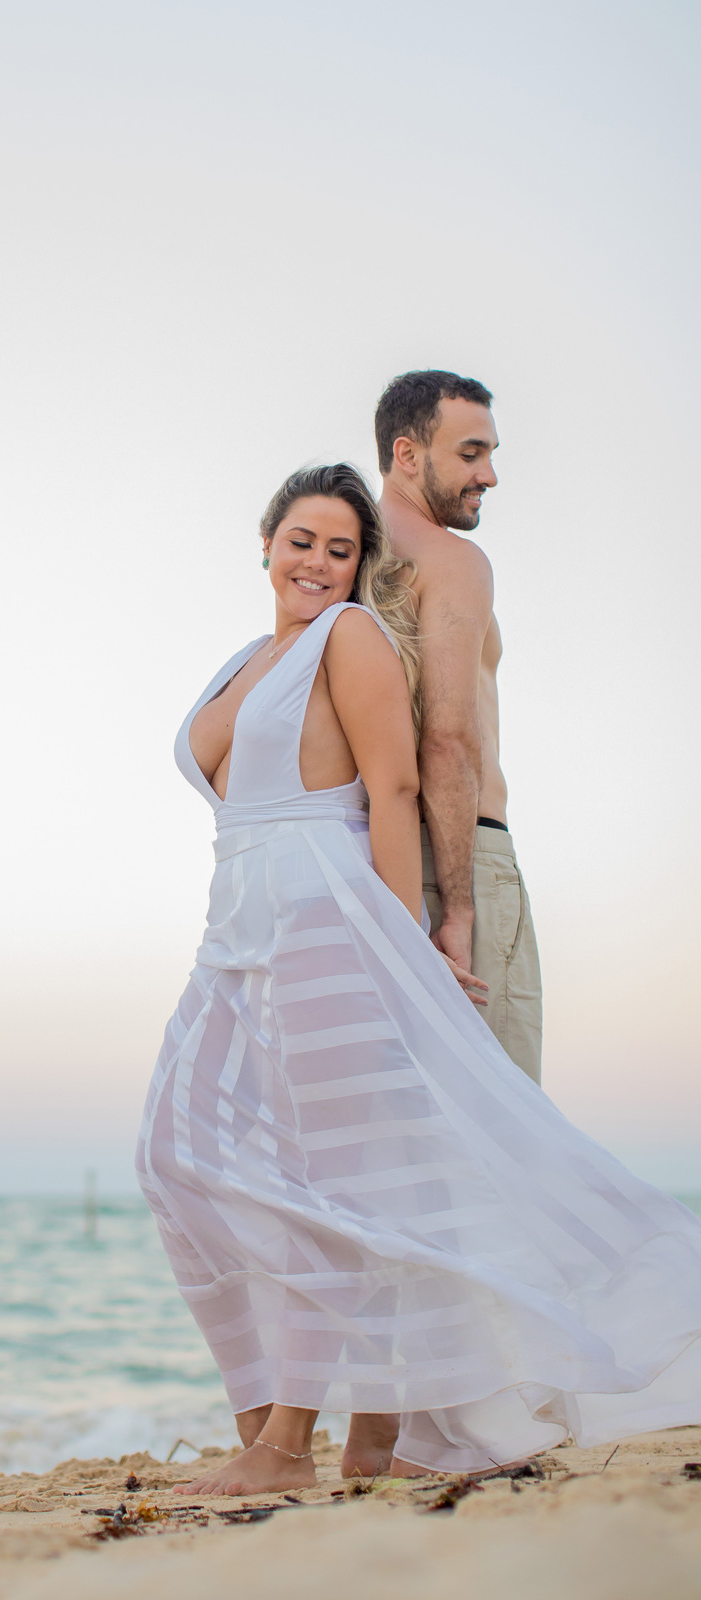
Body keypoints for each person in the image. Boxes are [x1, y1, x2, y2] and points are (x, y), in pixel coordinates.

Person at [136, 462, 701, 1496]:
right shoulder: (242, 661)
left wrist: (407, 946)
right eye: (301, 540)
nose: (315, 562)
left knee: (332, 1186)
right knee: (173, 1153)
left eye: (340, 550)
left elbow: (392, 791)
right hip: (233, 931)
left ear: (359, 569)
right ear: (265, 544)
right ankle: (288, 1424)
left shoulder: (347, 640)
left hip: (324, 924)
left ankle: (284, 1450)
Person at [376, 370, 541, 1082]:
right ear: (408, 455)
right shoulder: (453, 562)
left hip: (375, 862)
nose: (491, 475)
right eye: (471, 453)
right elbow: (449, 736)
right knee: (507, 1120)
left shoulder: (346, 560)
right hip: (461, 853)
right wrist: (462, 912)